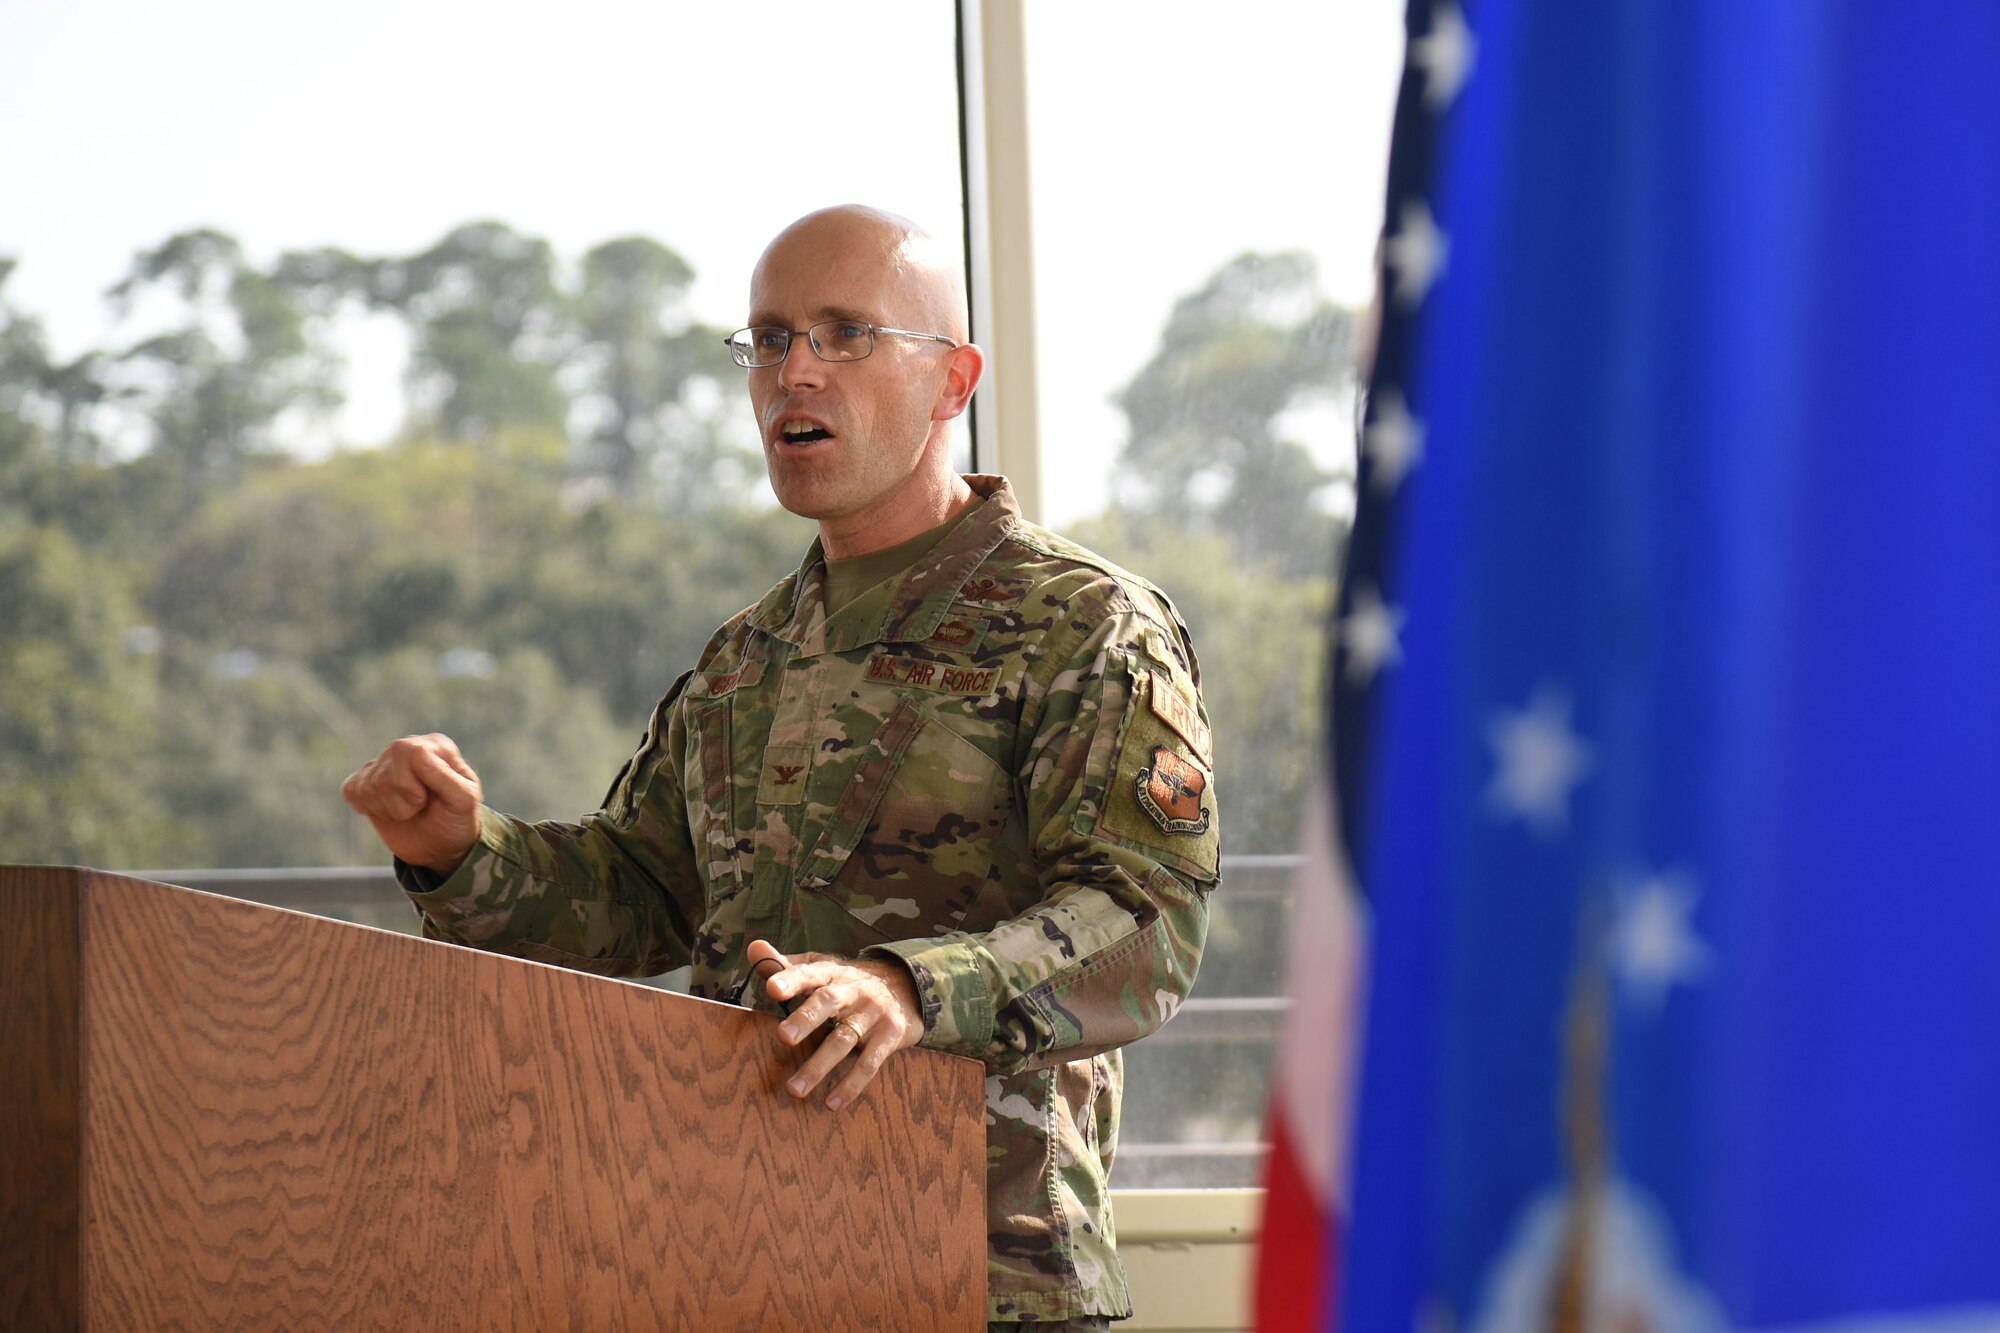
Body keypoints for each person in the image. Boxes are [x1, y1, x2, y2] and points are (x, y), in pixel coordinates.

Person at [342, 205, 1220, 1330]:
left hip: (981, 1273)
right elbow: (643, 896)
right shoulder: (746, 656)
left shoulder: (1084, 624)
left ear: (952, 383)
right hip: (733, 1250)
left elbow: (1147, 922)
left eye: (843, 334)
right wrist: (462, 852)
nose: (793, 371)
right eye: (768, 338)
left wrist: (908, 989)